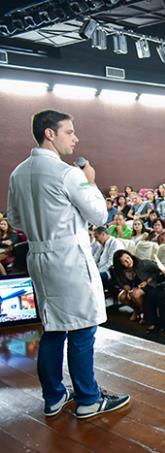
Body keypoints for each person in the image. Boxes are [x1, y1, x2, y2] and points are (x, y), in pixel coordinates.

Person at [7, 110, 129, 418]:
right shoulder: (67, 173)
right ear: (50, 134)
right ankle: (88, 399)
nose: (75, 138)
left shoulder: (18, 173)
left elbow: (15, 220)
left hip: (39, 256)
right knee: (82, 329)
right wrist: (89, 182)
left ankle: (54, 397)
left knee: (53, 328)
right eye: (69, 132)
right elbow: (100, 216)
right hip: (69, 260)